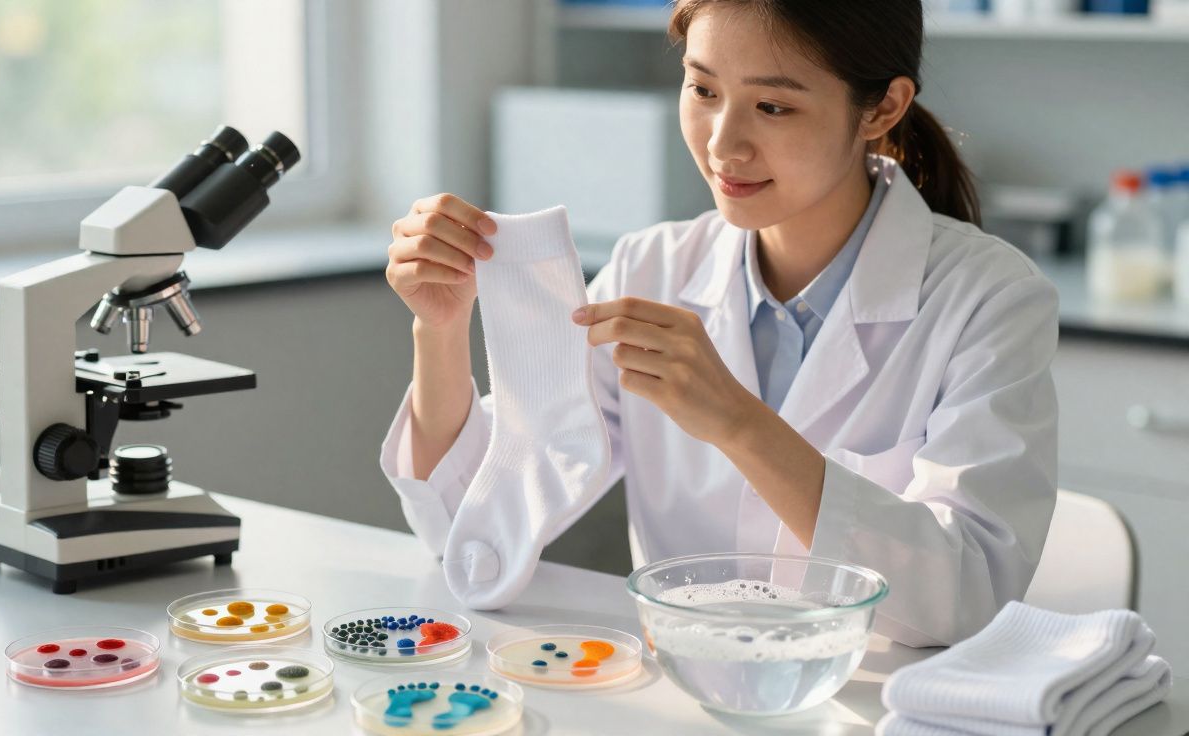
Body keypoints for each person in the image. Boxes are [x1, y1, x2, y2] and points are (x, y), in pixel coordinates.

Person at [379, 0, 1058, 647]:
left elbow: (969, 594)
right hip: (686, 689)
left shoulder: (988, 298)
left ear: (883, 106)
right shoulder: (653, 267)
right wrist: (438, 331)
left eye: (772, 106)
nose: (723, 145)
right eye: (702, 91)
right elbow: (470, 532)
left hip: (871, 700)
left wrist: (739, 422)